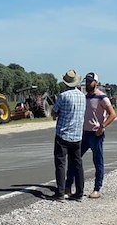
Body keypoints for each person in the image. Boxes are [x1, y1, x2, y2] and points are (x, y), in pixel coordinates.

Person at [65, 72, 117, 199]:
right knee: (73, 160)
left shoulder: (102, 97)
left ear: (96, 82)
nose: (88, 83)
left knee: (98, 161)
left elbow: (113, 114)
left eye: (90, 81)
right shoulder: (85, 97)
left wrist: (102, 126)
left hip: (96, 134)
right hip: (83, 134)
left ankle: (97, 189)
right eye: (87, 81)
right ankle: (68, 186)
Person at [49, 69, 86, 201]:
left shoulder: (63, 96)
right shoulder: (82, 96)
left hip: (63, 135)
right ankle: (80, 192)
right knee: (77, 164)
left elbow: (54, 112)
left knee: (60, 164)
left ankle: (60, 193)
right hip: (77, 136)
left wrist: (58, 115)